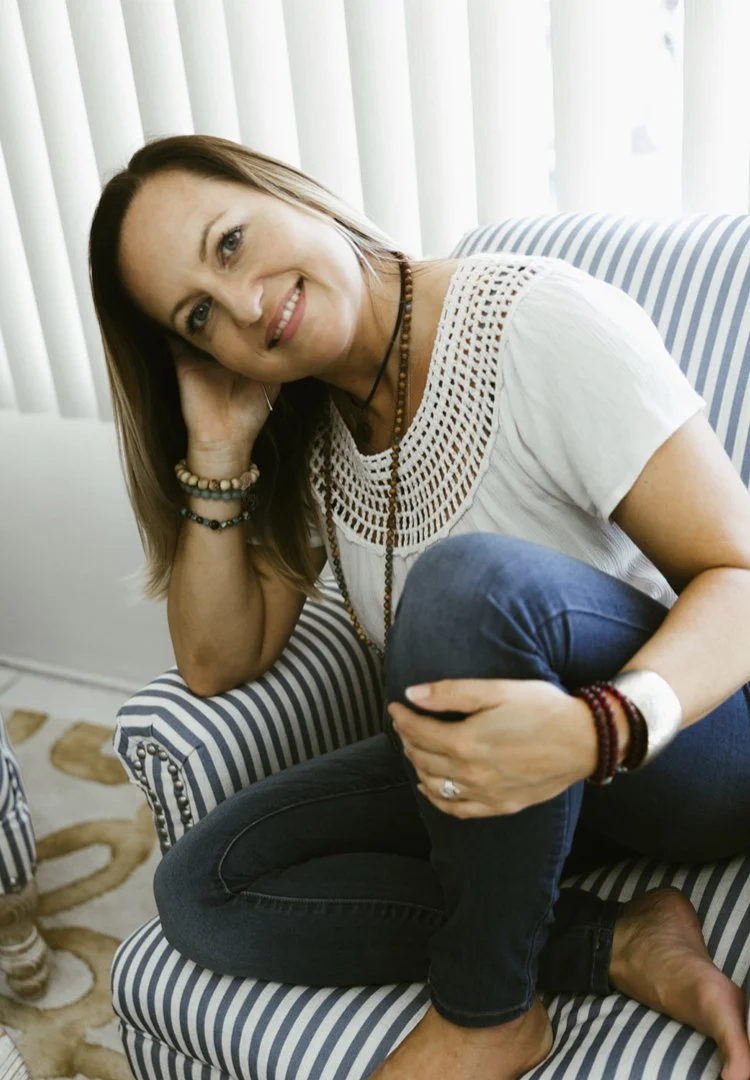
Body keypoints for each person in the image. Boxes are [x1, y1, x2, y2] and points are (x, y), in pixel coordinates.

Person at [89, 134, 750, 1080]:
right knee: (203, 887)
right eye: (199, 317)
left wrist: (598, 729)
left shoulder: (533, 320)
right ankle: (617, 942)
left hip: (684, 747)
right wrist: (221, 443)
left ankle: (487, 1013)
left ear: (288, 191)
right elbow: (215, 661)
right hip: (512, 787)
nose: (242, 306)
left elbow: (742, 575)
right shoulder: (316, 425)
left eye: (228, 243)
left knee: (464, 582)